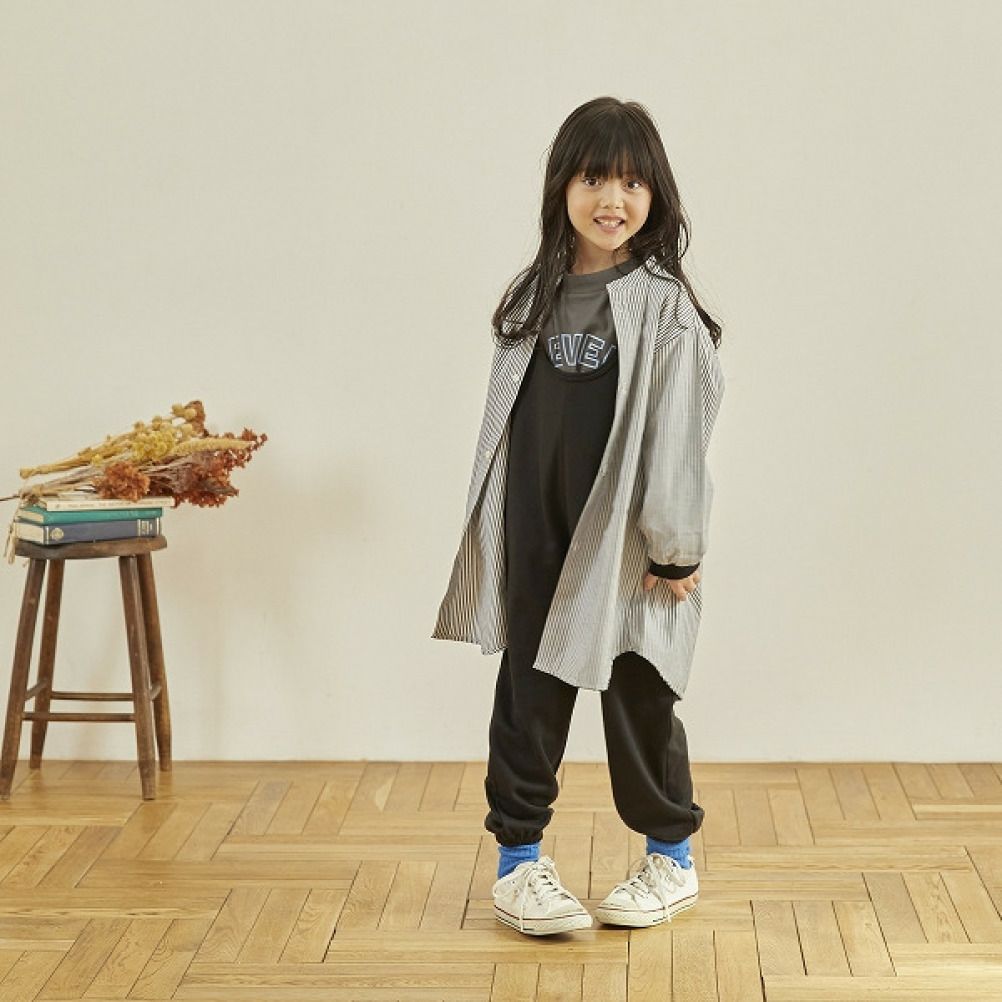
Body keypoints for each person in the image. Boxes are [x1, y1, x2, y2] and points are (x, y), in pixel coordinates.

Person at [432, 96, 726, 935]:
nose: (611, 199)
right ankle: (519, 864)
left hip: (627, 544)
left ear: (655, 196)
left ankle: (670, 857)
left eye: (632, 182)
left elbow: (679, 436)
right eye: (594, 178)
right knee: (527, 694)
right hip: (537, 530)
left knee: (640, 692)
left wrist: (674, 548)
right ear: (562, 186)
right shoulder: (536, 295)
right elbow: (506, 424)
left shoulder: (664, 308)